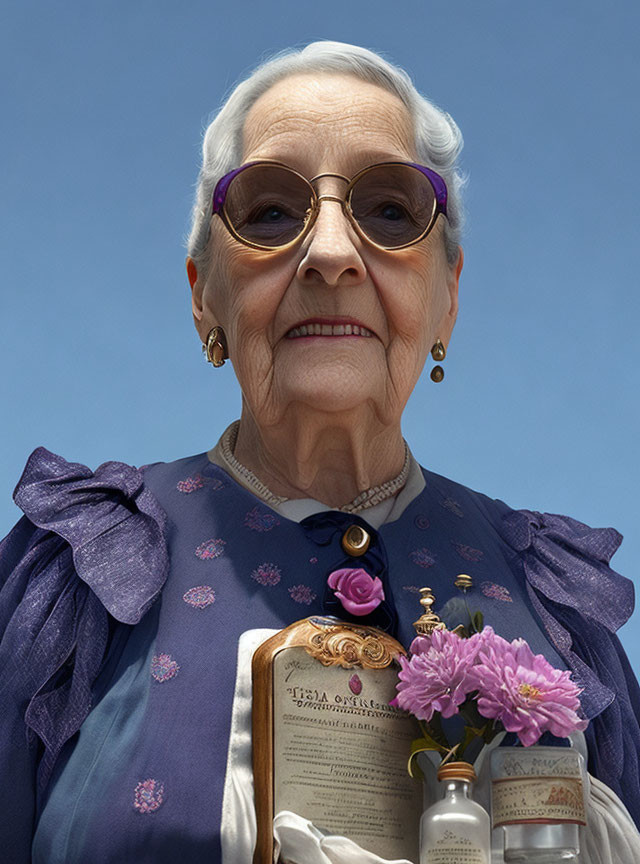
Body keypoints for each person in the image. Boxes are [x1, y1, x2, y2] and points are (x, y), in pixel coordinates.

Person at [1, 40, 639, 864]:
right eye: (269, 211)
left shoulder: (561, 611)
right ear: (204, 297)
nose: (332, 253)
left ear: (448, 296)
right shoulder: (80, 579)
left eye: (390, 211)